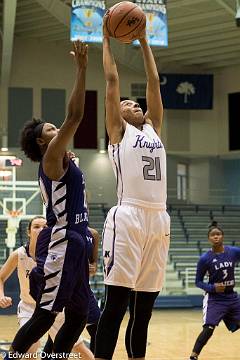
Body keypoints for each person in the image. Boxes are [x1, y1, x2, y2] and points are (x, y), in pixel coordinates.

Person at [94, 15, 170, 360]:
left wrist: (143, 42)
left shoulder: (153, 128)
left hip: (159, 220)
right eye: (127, 103)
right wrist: (107, 39)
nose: (133, 104)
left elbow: (153, 81)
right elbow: (112, 78)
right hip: (128, 217)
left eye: (135, 103)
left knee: (145, 310)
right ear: (117, 114)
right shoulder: (118, 132)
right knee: (117, 304)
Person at [8, 40, 90, 356]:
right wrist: (82, 68)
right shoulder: (51, 157)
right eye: (51, 129)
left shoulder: (61, 158)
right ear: (43, 142)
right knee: (46, 315)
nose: (58, 129)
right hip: (64, 241)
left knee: (80, 314)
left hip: (78, 239)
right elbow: (76, 116)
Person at [188, 221, 240, 360]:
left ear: (223, 236)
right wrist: (212, 288)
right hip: (215, 299)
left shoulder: (233, 252)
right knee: (209, 328)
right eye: (213, 235)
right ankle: (193, 356)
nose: (216, 237)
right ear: (209, 238)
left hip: (231, 297)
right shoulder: (205, 259)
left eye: (218, 234)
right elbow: (198, 282)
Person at [0, 216, 47, 354]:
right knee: (29, 348)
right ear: (29, 232)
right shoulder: (19, 254)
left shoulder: (57, 254)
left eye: (45, 227)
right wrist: (1, 296)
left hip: (53, 308)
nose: (41, 230)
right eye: (36, 226)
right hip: (29, 308)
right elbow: (1, 277)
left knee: (76, 348)